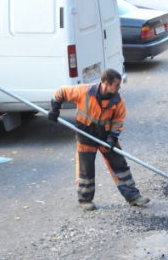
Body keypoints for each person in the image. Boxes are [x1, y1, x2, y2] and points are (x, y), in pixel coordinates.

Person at [48, 69, 150, 211]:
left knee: (120, 166)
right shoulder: (84, 92)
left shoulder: (117, 100)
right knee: (86, 170)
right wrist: (54, 109)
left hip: (106, 138)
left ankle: (133, 197)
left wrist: (112, 137)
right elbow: (61, 92)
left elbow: (118, 121)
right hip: (85, 136)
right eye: (117, 84)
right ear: (106, 84)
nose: (119, 87)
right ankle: (85, 201)